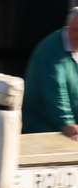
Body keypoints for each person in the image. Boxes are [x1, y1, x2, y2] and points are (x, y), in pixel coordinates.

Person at [23, 7, 78, 141]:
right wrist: (67, 123)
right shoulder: (51, 50)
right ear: (70, 27)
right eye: (76, 30)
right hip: (43, 129)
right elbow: (55, 91)